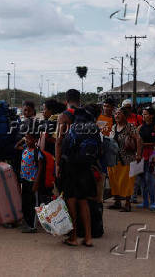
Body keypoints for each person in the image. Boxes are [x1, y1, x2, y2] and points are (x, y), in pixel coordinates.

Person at [55, 89, 96, 247]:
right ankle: (88, 237)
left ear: (67, 100)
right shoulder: (88, 114)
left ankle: (73, 237)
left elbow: (59, 141)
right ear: (79, 100)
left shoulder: (64, 115)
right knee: (83, 200)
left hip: (70, 161)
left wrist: (58, 164)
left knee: (71, 198)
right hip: (85, 161)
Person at [108, 107, 142, 212]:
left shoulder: (129, 127)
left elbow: (138, 139)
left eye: (119, 113)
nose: (116, 115)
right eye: (116, 113)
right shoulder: (113, 127)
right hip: (114, 159)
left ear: (124, 115)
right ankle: (117, 201)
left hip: (127, 158)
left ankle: (127, 204)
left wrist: (138, 154)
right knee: (114, 180)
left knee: (126, 181)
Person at [15, 122, 42, 233]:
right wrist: (23, 139)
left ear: (36, 140)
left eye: (30, 138)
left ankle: (33, 226)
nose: (27, 140)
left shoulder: (37, 152)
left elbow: (40, 168)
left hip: (32, 182)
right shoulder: (25, 149)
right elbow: (16, 146)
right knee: (25, 202)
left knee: (32, 204)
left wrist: (36, 182)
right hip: (25, 181)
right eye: (26, 138)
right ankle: (27, 223)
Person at [137, 107, 155, 210]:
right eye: (143, 114)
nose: (143, 116)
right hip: (141, 156)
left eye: (146, 114)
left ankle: (153, 202)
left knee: (150, 179)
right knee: (142, 180)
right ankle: (145, 201)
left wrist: (145, 144)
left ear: (151, 115)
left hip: (153, 156)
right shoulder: (140, 127)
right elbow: (137, 142)